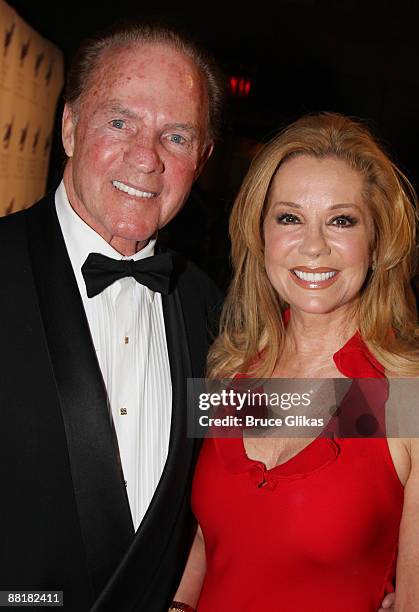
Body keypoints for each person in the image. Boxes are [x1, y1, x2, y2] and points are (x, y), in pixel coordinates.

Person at [172, 113, 419, 611]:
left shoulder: (415, 402)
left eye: (342, 220)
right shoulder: (231, 373)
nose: (314, 247)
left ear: (377, 242)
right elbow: (210, 539)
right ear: (261, 234)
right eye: (290, 218)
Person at [0, 22, 224, 611]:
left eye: (176, 136)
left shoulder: (214, 312)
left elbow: (312, 426)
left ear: (201, 159)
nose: (146, 158)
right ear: (70, 126)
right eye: (120, 122)